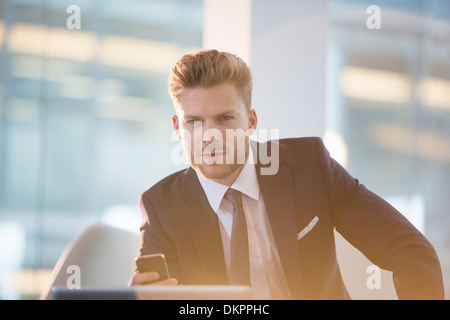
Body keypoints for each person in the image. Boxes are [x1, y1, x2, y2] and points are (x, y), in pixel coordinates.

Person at [128, 49, 444, 299]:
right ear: (177, 128)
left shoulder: (310, 167)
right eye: (194, 122)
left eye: (225, 118)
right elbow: (154, 293)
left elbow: (409, 250)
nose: (210, 136)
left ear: (251, 121)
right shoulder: (161, 206)